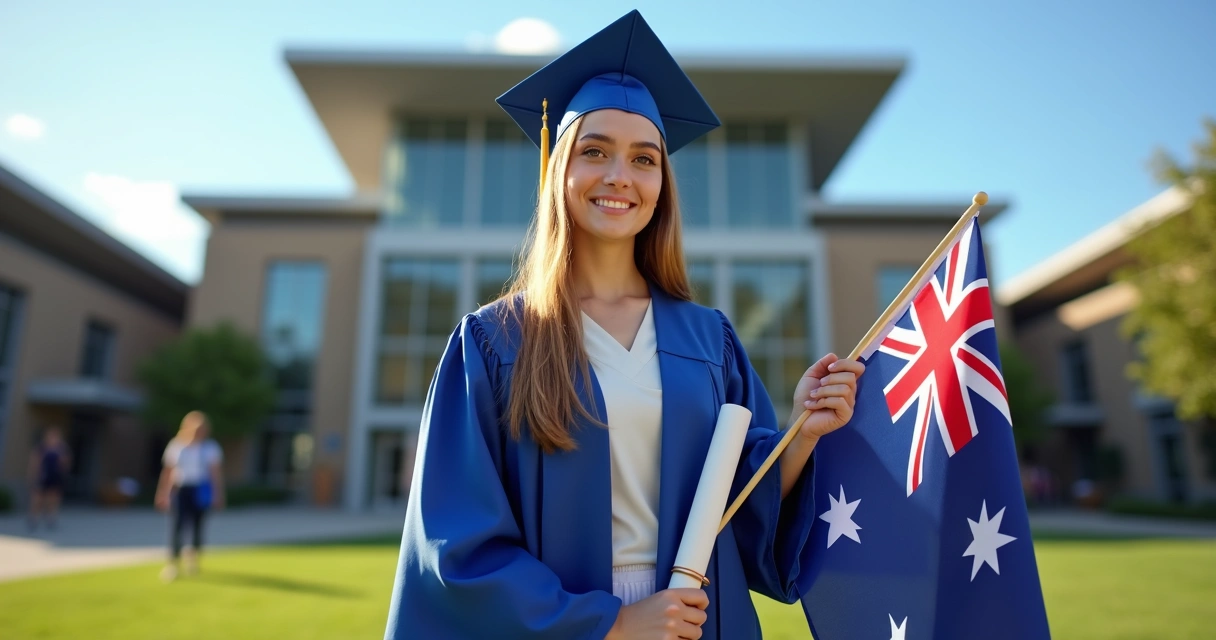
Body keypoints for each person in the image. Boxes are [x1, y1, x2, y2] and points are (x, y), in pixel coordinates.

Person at [384, 10, 866, 640]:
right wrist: (610, 623)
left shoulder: (708, 339)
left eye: (644, 159)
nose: (619, 176)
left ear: (663, 184)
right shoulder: (493, 342)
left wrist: (802, 433)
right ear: (560, 170)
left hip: (697, 621)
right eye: (595, 151)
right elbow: (457, 542)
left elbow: (745, 506)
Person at [155, 410, 225, 582]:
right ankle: (173, 563)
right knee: (177, 526)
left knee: (197, 526)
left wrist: (218, 494)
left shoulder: (210, 448)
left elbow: (215, 474)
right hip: (181, 488)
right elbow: (168, 471)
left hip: (200, 489)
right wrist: (163, 492)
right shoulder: (177, 446)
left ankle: (193, 560)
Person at [27, 427, 71, 531]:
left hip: (55, 477)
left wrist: (64, 463)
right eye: (51, 436)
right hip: (43, 476)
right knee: (37, 499)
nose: (53, 438)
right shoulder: (42, 448)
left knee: (53, 499)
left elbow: (67, 464)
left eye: (55, 436)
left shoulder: (62, 449)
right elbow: (34, 462)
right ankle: (33, 518)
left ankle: (51, 518)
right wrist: (31, 476)